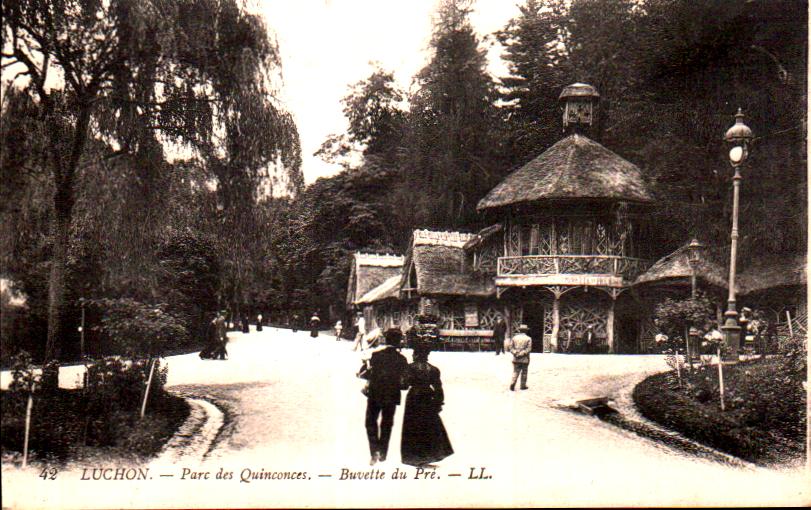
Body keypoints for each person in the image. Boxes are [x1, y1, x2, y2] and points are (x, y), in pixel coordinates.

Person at [401, 340, 454, 467]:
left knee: (413, 427)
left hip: (414, 398)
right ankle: (428, 455)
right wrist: (438, 403)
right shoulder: (434, 370)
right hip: (428, 398)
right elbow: (439, 388)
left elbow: (404, 385)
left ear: (416, 355)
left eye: (414, 354)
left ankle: (414, 456)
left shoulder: (410, 368)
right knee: (427, 426)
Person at [360, 328, 409, 465]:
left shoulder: (376, 356)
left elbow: (368, 374)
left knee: (370, 422)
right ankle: (383, 453)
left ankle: (374, 451)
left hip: (375, 393)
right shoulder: (402, 360)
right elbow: (404, 384)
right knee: (387, 423)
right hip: (392, 395)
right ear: (398, 341)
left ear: (386, 340)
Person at [509, 324, 532, 391]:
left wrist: (515, 352)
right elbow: (529, 349)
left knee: (515, 371)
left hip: (516, 358)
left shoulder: (514, 338)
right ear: (526, 331)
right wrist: (522, 353)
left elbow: (510, 347)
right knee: (524, 372)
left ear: (520, 330)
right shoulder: (528, 338)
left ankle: (513, 382)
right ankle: (523, 385)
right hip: (524, 358)